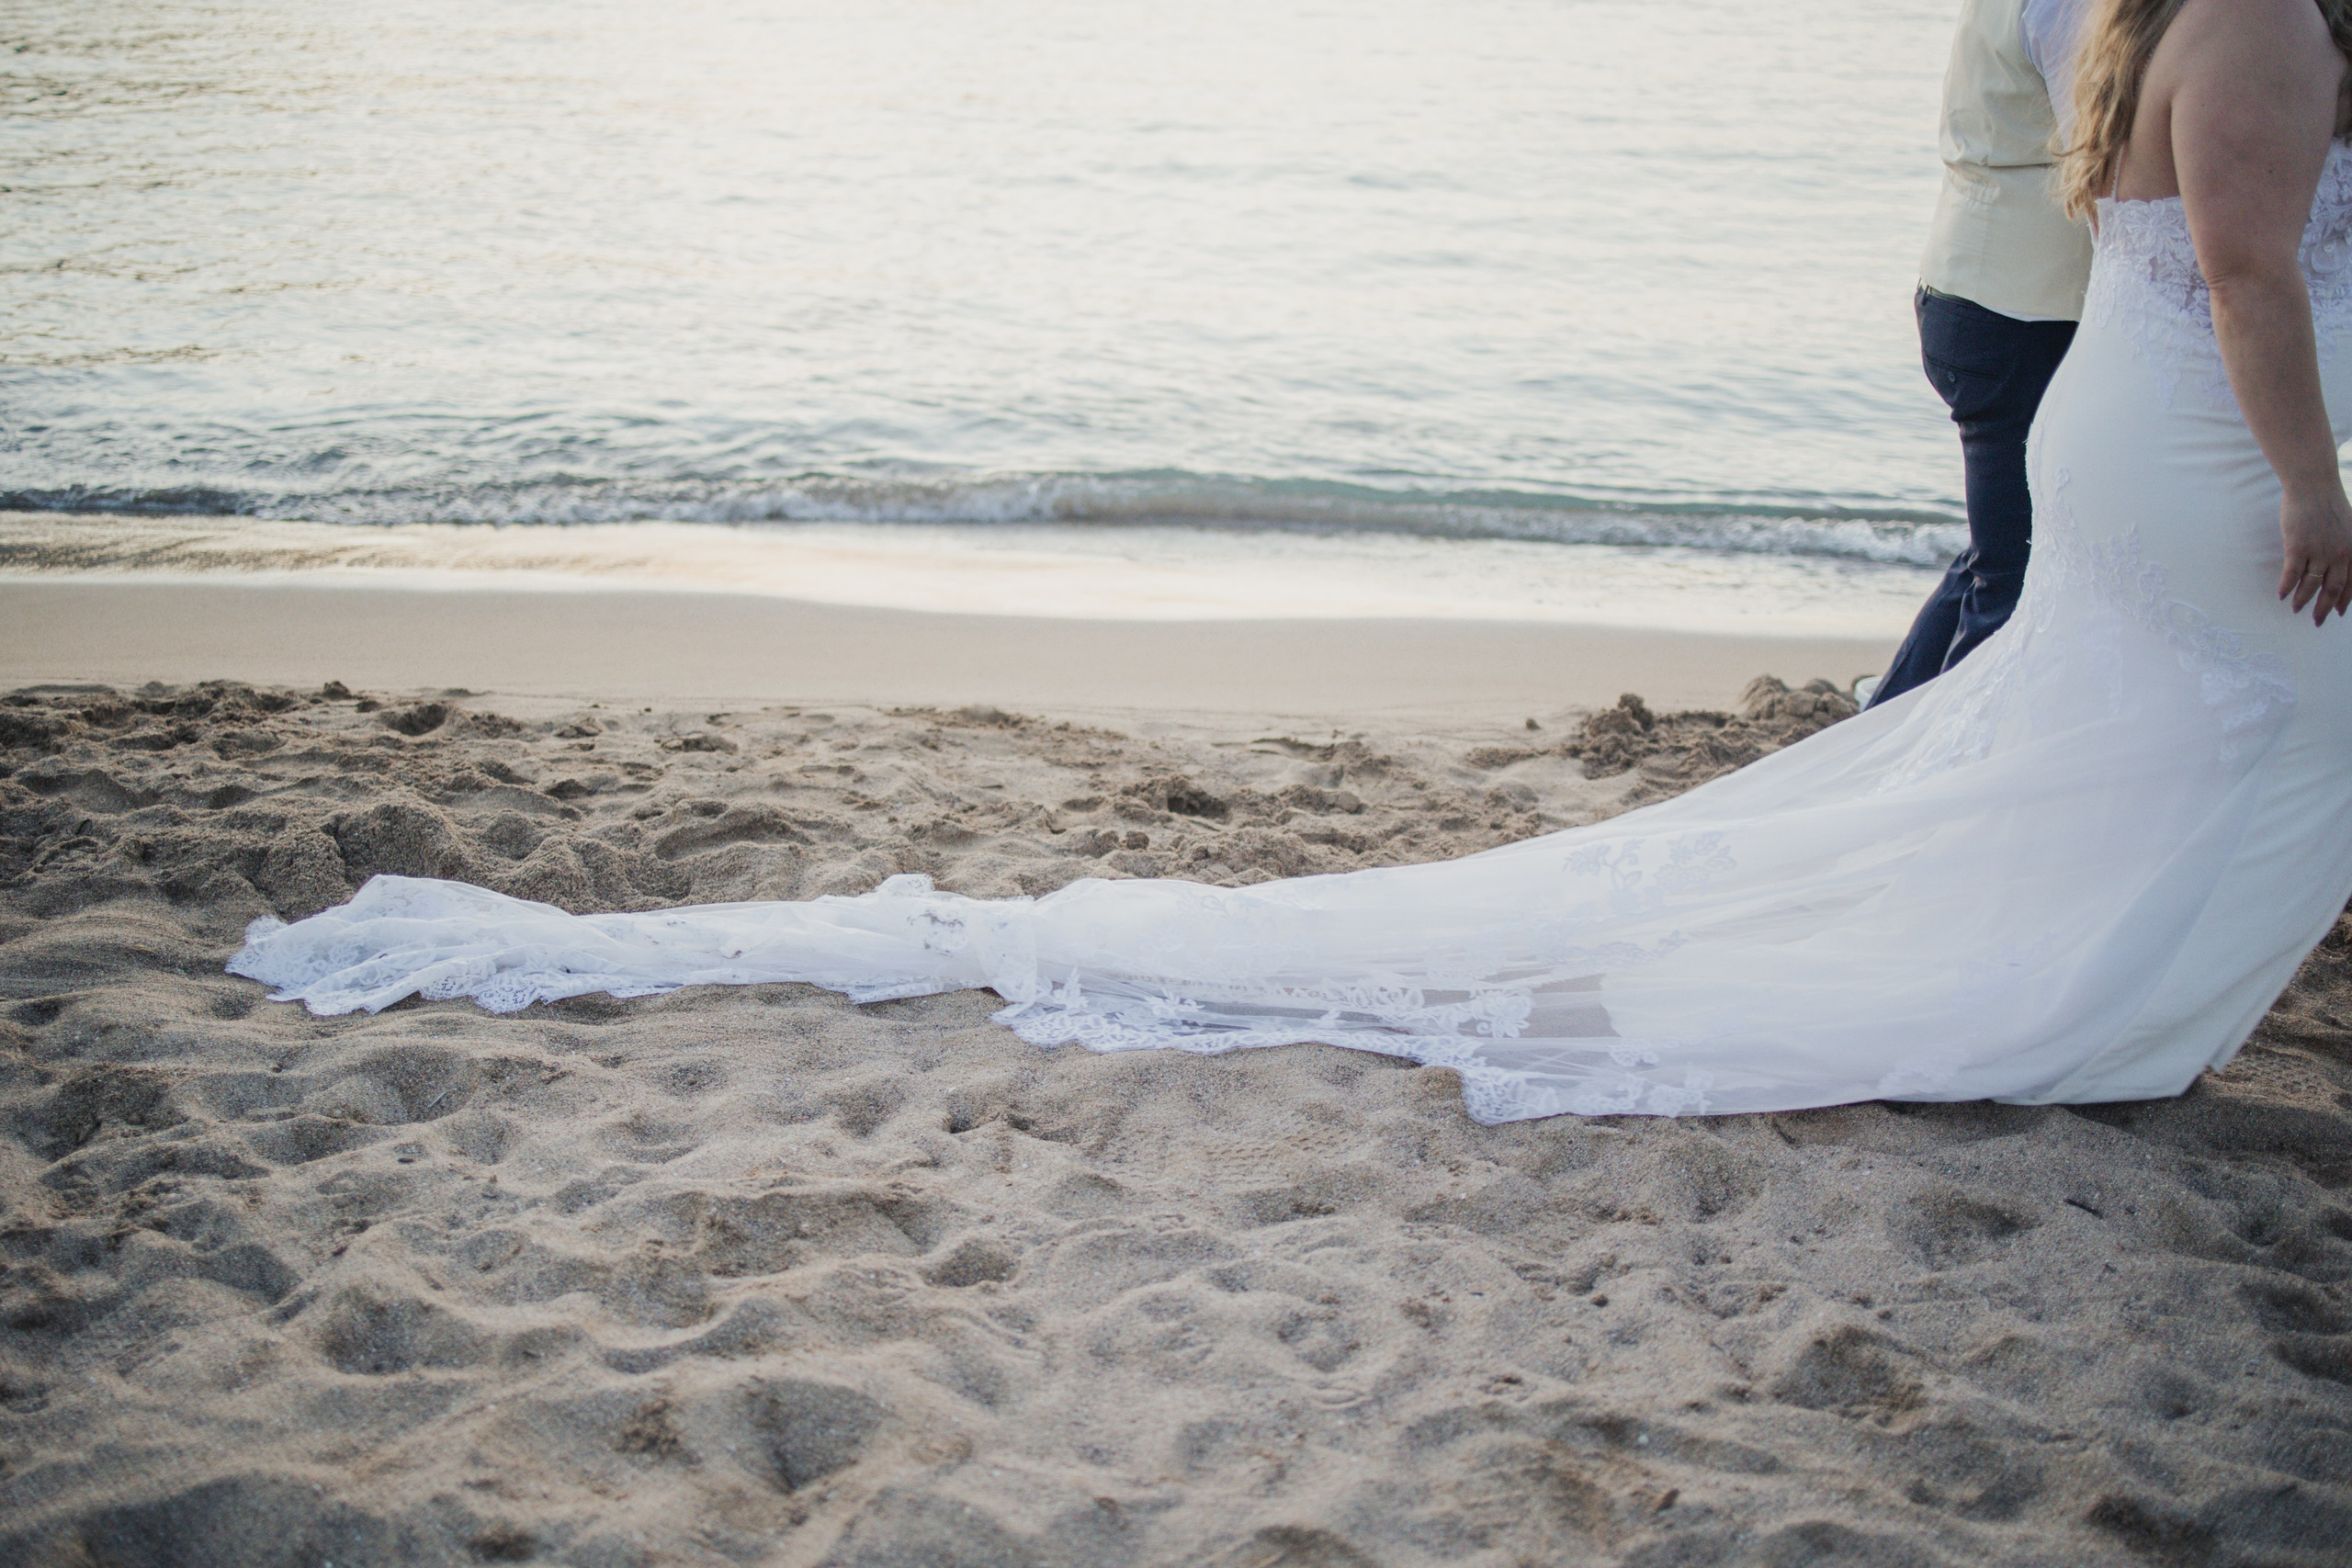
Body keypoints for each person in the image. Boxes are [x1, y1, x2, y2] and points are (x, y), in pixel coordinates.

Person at [230, 0, 2352, 1125]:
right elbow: (2246, 273)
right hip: (2199, 457)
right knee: (2185, 731)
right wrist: (2314, 487)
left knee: (2079, 737)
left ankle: (2076, 970)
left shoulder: (2161, 9)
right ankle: (2078, 996)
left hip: (2128, 433)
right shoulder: (2250, 20)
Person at [1868, 0, 2095, 708]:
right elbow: (2102, 166)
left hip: (1968, 291)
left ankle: (1883, 723)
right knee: (2011, 575)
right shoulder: (2065, 7)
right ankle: (1956, 753)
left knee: (1995, 554)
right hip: (2017, 314)